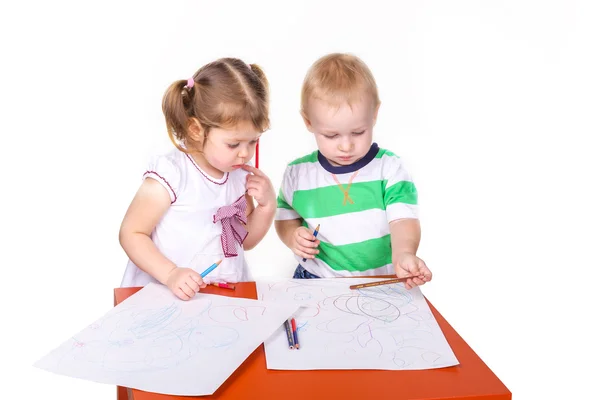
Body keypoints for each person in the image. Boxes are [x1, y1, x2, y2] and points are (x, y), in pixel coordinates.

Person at [119, 58, 276, 300]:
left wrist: (266, 208)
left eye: (253, 141)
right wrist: (171, 274)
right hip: (163, 295)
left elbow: (243, 241)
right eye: (233, 144)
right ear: (195, 129)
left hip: (219, 297)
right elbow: (131, 232)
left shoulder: (239, 175)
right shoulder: (172, 174)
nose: (245, 153)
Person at [274, 53, 432, 289]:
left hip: (378, 280)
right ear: (308, 122)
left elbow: (403, 220)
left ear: (374, 115)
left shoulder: (389, 169)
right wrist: (293, 237)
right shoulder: (298, 173)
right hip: (317, 279)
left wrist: (404, 253)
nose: (346, 146)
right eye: (331, 135)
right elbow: (285, 217)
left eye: (358, 132)